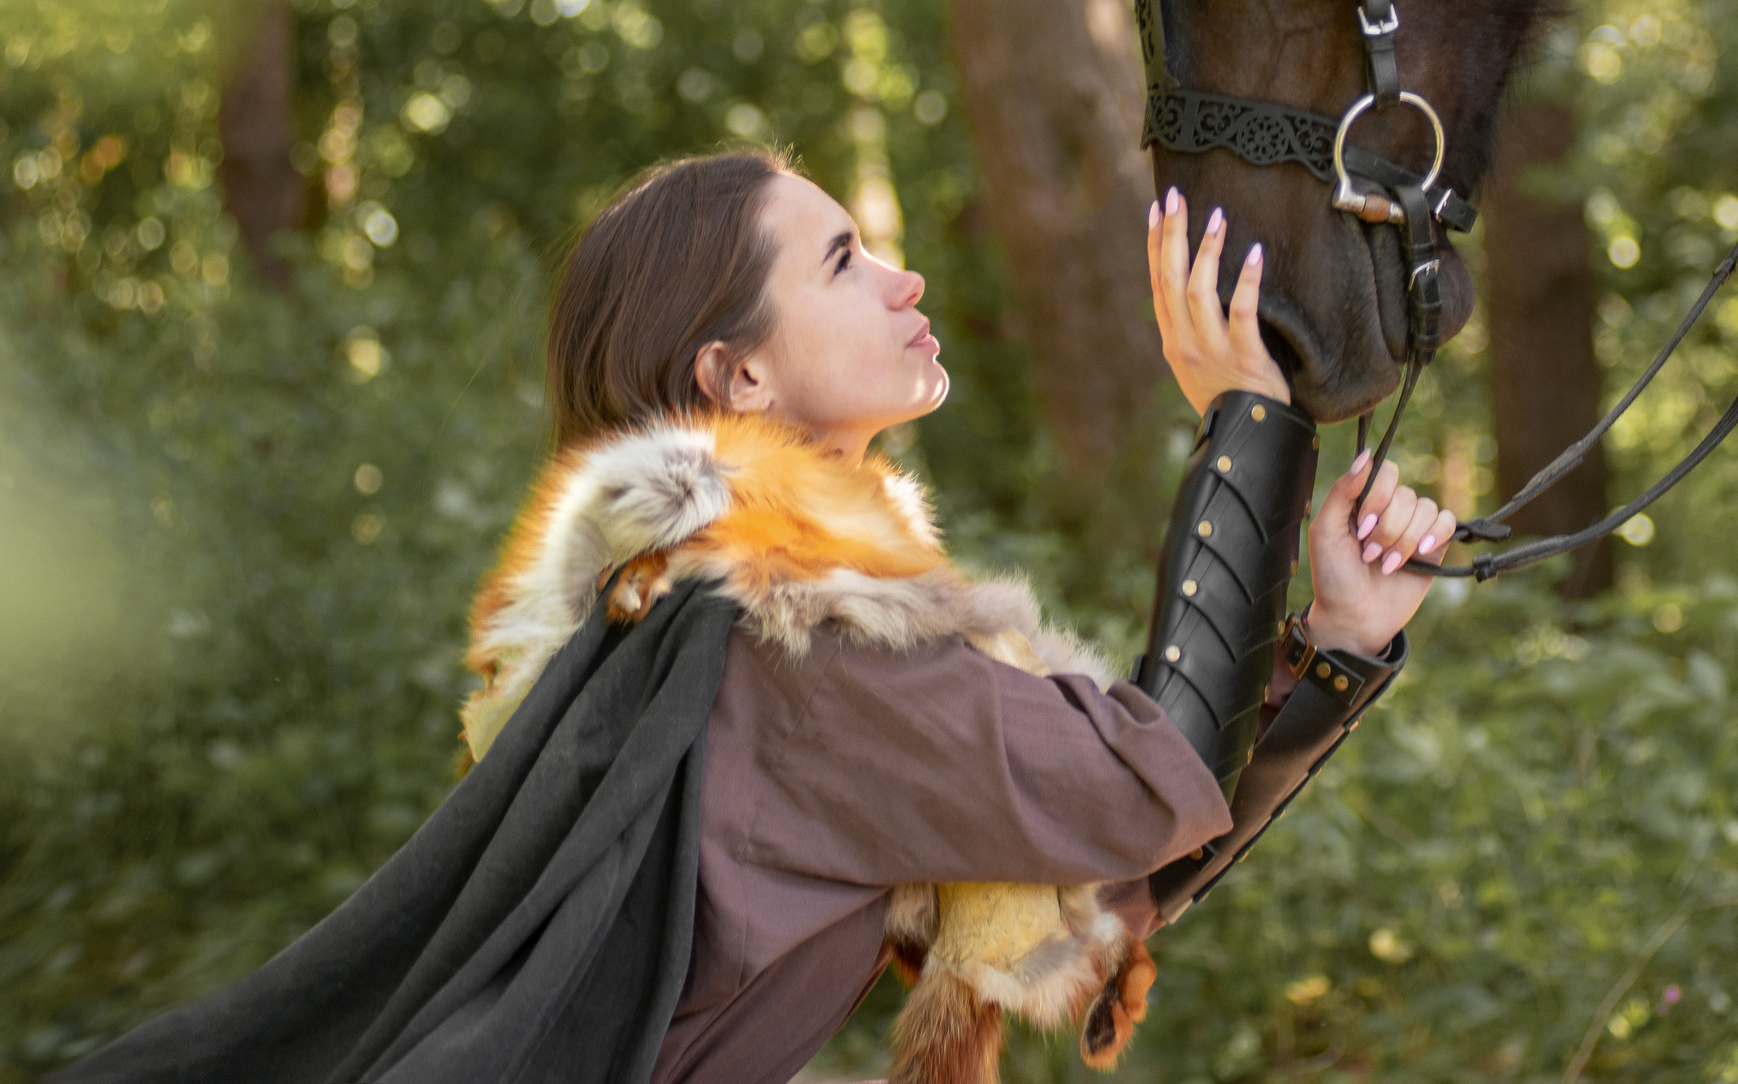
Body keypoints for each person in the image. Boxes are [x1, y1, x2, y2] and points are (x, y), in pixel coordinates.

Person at [60, 148, 1449, 1084]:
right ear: (736, 374)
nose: (903, 279)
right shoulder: (794, 635)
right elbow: (1148, 787)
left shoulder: (722, 618)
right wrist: (1248, 424)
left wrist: (1334, 643)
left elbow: (1096, 879)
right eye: (845, 262)